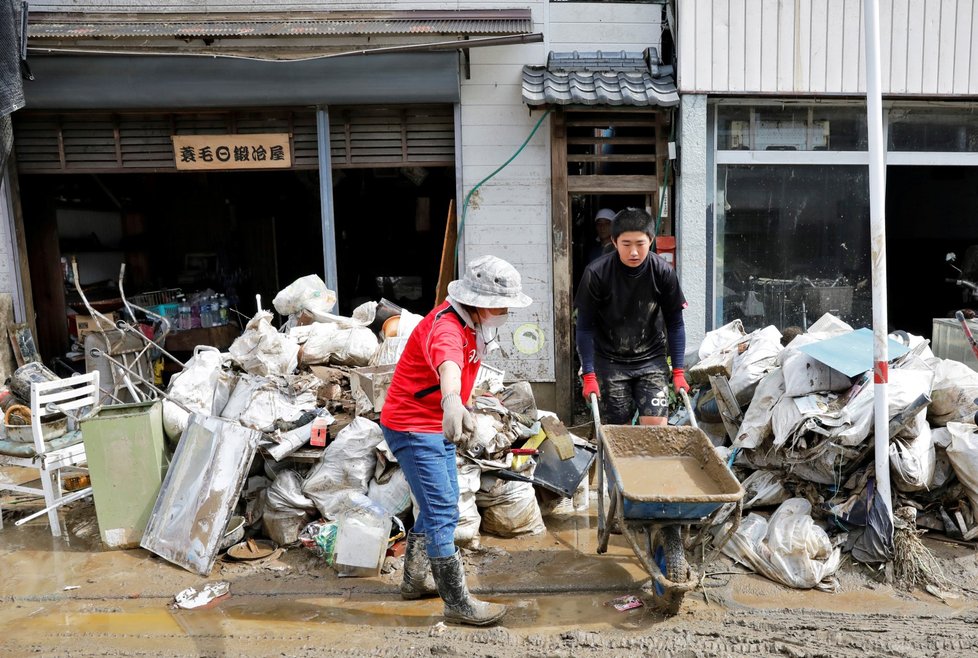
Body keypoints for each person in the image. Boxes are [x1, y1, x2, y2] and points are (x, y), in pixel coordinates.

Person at [379, 255, 532, 626]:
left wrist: (465, 402)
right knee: (443, 507)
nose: (506, 312)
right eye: (502, 306)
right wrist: (451, 401)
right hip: (414, 426)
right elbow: (448, 364)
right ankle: (457, 601)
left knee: (436, 503)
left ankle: (415, 579)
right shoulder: (448, 328)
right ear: (480, 303)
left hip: (432, 423)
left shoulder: (470, 323)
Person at [575, 208, 689, 426]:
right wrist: (589, 374)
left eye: (640, 243)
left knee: (655, 430)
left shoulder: (663, 272)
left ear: (651, 240)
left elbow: (675, 324)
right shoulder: (596, 273)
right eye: (627, 244)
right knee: (619, 434)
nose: (634, 252)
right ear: (615, 242)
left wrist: (679, 371)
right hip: (609, 361)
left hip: (651, 359)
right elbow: (584, 327)